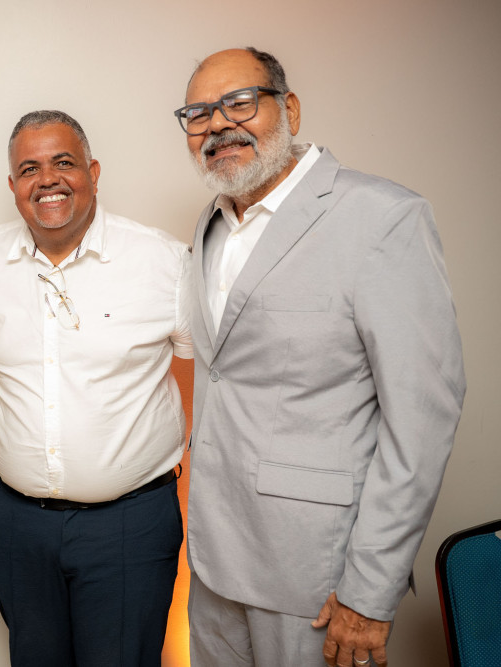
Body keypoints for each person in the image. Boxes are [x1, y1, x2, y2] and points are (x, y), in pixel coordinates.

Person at [176, 47, 466, 667]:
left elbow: (421, 420)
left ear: (290, 109)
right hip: (213, 562)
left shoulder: (383, 218)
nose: (218, 124)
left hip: (317, 574)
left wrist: (371, 590)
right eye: (198, 114)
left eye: (239, 103)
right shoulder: (212, 221)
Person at [0, 110, 192, 667]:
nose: (48, 179)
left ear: (93, 171)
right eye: (29, 169)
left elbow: (211, 374)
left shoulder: (163, 261)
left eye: (63, 162)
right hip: (17, 525)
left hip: (130, 523)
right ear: (12, 185)